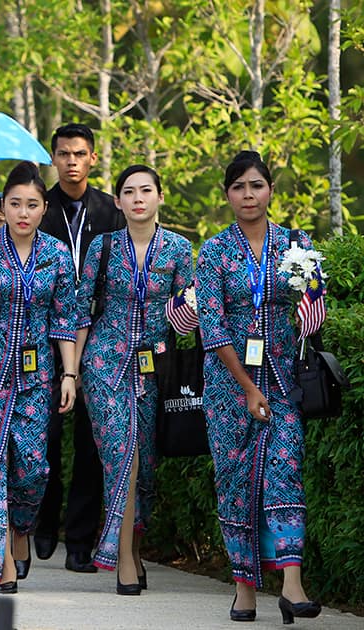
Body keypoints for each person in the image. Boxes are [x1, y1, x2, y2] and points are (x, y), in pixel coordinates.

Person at [196, 150, 324, 623]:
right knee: (234, 484)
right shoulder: (212, 251)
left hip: (285, 380)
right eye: (238, 187)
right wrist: (248, 388)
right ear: (227, 195)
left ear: (270, 189)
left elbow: (313, 307)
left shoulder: (296, 243)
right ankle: (244, 589)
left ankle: (292, 585)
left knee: (285, 473)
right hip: (230, 386)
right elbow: (211, 327)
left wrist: (312, 300)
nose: (248, 195)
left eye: (257, 185)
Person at [0, 161, 78, 593]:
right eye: (14, 204)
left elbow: (66, 318)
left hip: (36, 378)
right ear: (2, 207)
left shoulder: (57, 255)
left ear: (44, 208)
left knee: (32, 470)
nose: (22, 213)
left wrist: (69, 373)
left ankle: (21, 528)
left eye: (32, 204)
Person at [74, 165, 194, 594]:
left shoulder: (180, 248)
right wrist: (74, 371)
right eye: (129, 191)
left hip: (154, 366)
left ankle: (135, 548)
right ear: (119, 202)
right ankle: (121, 559)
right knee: (121, 456)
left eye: (146, 190)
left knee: (145, 466)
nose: (138, 198)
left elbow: (186, 321)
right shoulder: (102, 247)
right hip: (105, 362)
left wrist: (188, 315)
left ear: (160, 197)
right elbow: (81, 311)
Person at [35, 123, 124, 572]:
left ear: (93, 159)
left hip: (99, 335)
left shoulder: (111, 210)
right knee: (45, 435)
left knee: (92, 440)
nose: (71, 161)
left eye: (80, 154)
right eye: (64, 153)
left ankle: (80, 541)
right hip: (46, 336)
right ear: (53, 158)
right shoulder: (39, 207)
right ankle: (43, 523)